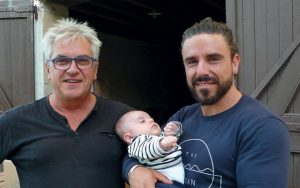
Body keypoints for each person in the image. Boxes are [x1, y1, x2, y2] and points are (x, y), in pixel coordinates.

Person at [123, 17, 290, 188]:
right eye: (192, 62)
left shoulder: (262, 128)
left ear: (234, 63)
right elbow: (139, 148)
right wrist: (134, 169)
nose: (201, 71)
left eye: (213, 59)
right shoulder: (182, 117)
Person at [0, 18, 133, 188]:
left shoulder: (124, 118)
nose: (72, 70)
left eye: (83, 60)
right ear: (49, 69)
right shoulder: (16, 121)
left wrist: (136, 168)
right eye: (61, 61)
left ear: (95, 70)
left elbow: (160, 160)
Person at [115, 110, 185, 187]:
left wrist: (174, 129)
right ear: (129, 137)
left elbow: (174, 138)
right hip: (163, 179)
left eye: (151, 118)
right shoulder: (137, 143)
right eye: (142, 121)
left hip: (176, 177)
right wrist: (161, 145)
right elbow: (147, 150)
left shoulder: (160, 136)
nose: (151, 120)